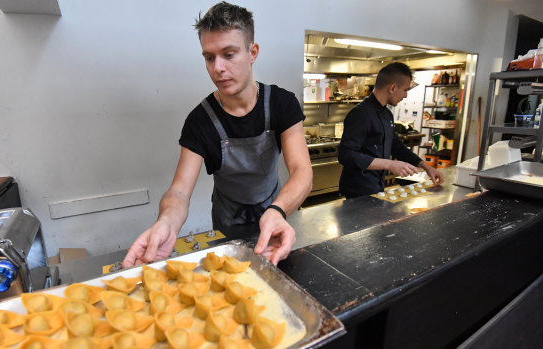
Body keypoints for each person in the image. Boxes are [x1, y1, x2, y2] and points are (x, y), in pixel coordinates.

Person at [122, 1, 312, 268]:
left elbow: (302, 172)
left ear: (252, 52)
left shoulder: (282, 104)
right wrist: (166, 221)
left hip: (276, 211)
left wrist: (278, 211)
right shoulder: (200, 121)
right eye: (209, 57)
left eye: (229, 54)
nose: (218, 68)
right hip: (227, 221)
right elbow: (179, 191)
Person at [338, 62, 444, 199]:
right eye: (405, 90)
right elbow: (346, 155)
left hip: (376, 187)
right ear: (393, 87)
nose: (405, 95)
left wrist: (426, 167)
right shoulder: (361, 114)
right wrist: (389, 164)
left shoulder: (387, 114)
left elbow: (396, 145)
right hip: (357, 192)